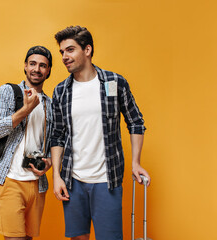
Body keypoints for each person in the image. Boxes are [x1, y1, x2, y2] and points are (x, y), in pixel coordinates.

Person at [50, 25, 151, 240]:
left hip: (107, 179)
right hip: (73, 180)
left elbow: (136, 122)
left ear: (87, 50)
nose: (64, 57)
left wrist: (136, 162)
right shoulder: (61, 91)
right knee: (78, 238)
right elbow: (57, 135)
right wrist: (57, 176)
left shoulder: (115, 83)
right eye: (62, 52)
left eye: (70, 50)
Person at [0, 46, 53, 240]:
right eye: (32, 64)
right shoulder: (8, 92)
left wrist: (48, 163)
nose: (36, 69)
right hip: (11, 180)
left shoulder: (50, 103)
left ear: (48, 71)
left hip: (37, 184)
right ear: (25, 66)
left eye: (43, 65)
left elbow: (50, 144)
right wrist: (25, 110)